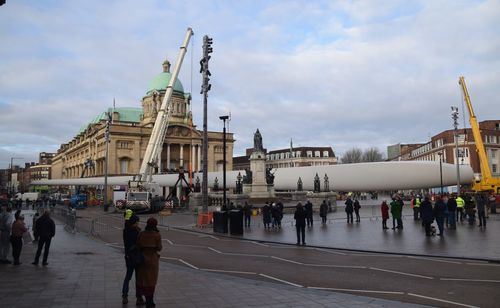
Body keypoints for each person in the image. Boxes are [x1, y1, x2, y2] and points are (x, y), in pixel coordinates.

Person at [136, 217, 162, 308]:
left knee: (143, 280)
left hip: (142, 259)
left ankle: (145, 299)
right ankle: (150, 301)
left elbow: (138, 246)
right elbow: (159, 248)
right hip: (153, 260)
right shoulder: (157, 235)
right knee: (151, 281)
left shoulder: (141, 234)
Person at [121, 214, 144, 305]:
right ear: (133, 223)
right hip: (136, 256)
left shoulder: (125, 230)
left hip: (128, 257)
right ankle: (139, 298)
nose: (138, 223)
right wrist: (139, 231)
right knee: (138, 279)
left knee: (128, 277)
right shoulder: (136, 232)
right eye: (137, 222)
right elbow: (139, 243)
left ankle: (125, 296)